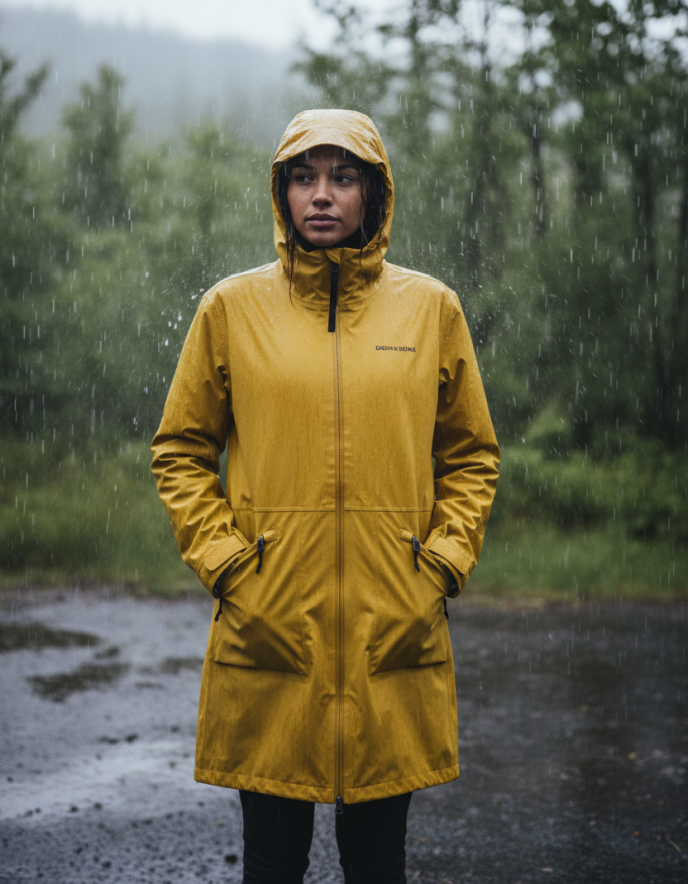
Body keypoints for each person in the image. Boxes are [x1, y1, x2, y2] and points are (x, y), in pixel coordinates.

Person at [151, 108, 500, 884]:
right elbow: (179, 450)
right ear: (280, 193)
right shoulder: (231, 309)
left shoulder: (431, 309)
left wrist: (438, 565)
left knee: (378, 864)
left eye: (344, 178)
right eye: (304, 177)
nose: (322, 195)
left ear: (375, 195)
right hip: (269, 629)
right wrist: (232, 568)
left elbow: (471, 454)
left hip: (393, 628)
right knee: (271, 864)